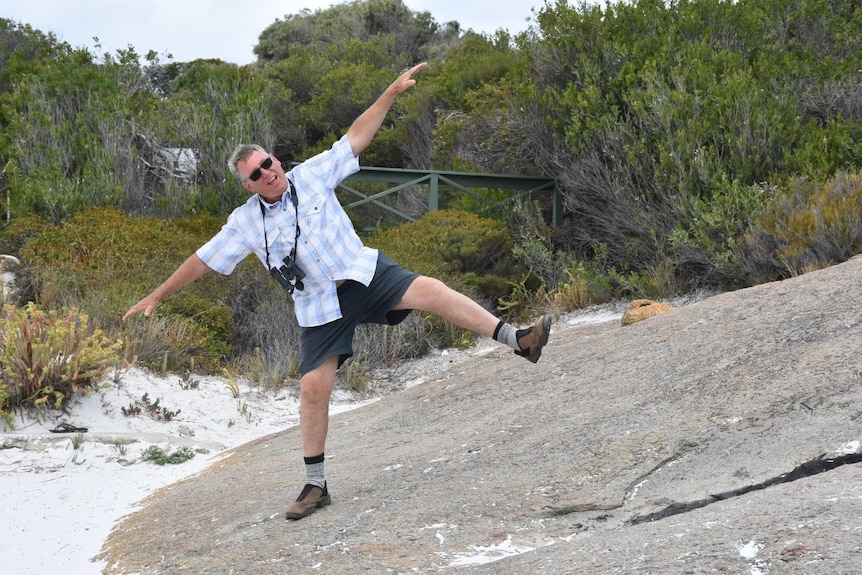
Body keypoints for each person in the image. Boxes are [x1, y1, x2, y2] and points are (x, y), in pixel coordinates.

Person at [123, 62, 552, 520]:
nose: (266, 172)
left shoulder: (311, 175)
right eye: (255, 173)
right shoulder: (245, 221)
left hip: (362, 273)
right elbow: (203, 259)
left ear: (277, 161)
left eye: (267, 162)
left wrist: (389, 93)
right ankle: (314, 485)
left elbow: (356, 137)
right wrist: (157, 296)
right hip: (318, 304)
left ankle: (518, 340)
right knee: (312, 387)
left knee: (432, 291)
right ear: (247, 186)